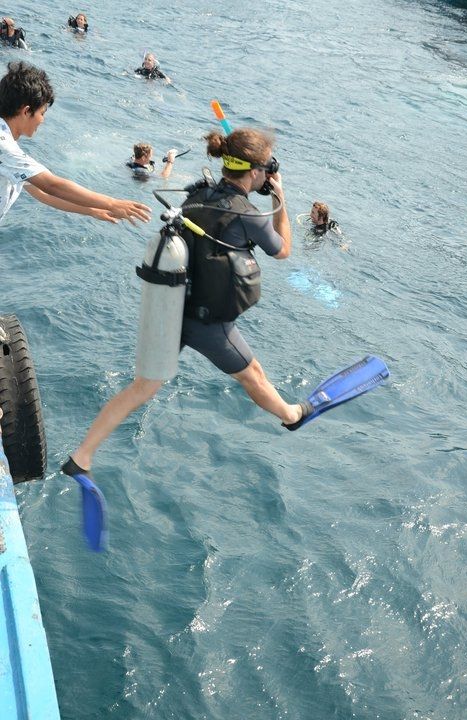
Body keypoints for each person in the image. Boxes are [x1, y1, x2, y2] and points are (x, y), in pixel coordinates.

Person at [62, 127, 308, 477]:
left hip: (171, 305)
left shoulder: (197, 192)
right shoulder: (248, 214)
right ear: (255, 172)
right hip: (205, 322)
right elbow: (283, 250)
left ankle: (82, 456)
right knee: (252, 375)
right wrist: (278, 200)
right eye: (265, 169)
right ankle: (292, 416)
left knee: (143, 387)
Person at [0, 61, 151, 226]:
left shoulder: (9, 153)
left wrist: (92, 210)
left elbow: (43, 193)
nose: (42, 120)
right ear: (26, 111)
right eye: (42, 113)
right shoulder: (5, 147)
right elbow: (51, 185)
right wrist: (112, 203)